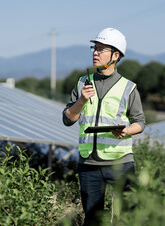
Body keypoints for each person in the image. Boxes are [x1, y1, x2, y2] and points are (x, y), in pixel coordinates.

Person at [62, 28, 145, 225]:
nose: (95, 53)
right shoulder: (82, 82)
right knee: (92, 221)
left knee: (128, 218)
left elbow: (140, 122)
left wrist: (126, 130)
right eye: (94, 48)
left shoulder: (128, 87)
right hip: (88, 164)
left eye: (101, 49)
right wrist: (82, 99)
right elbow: (67, 119)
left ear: (115, 55)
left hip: (120, 163)